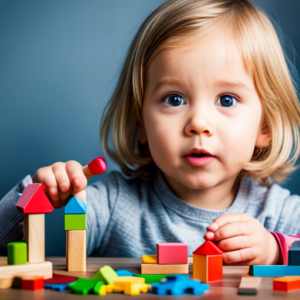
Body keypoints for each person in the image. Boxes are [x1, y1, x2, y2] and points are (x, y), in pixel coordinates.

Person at [1, 0, 300, 265]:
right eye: (174, 99)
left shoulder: (280, 213)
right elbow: (17, 250)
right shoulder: (112, 205)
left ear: (265, 126)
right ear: (141, 123)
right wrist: (37, 197)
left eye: (226, 100)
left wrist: (276, 250)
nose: (198, 123)